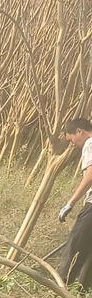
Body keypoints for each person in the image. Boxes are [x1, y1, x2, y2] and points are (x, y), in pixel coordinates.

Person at [58, 117, 92, 288]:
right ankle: (83, 289)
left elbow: (90, 176)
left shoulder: (90, 143)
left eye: (72, 140)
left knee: (76, 242)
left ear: (79, 131)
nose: (73, 144)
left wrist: (70, 203)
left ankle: (61, 285)